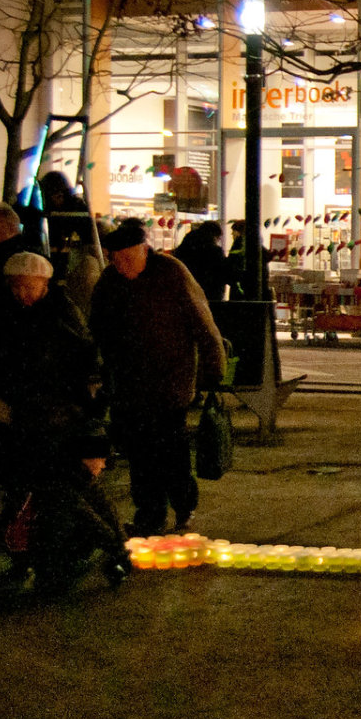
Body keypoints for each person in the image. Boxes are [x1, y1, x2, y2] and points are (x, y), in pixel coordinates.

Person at [0, 251, 125, 586]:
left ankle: (114, 550)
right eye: (16, 287)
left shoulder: (63, 318)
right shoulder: (4, 317)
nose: (23, 294)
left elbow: (92, 380)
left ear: (45, 284)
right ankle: (32, 558)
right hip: (24, 425)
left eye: (30, 287)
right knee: (34, 494)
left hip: (63, 425)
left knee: (66, 493)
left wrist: (95, 440)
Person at [88, 219, 228, 535]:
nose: (121, 264)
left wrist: (213, 368)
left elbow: (201, 321)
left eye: (127, 257)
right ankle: (149, 515)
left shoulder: (171, 273)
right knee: (139, 453)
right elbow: (96, 327)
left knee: (171, 450)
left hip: (171, 383)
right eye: (116, 258)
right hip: (128, 383)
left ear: (143, 250)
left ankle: (182, 505)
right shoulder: (110, 281)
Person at [172, 221, 233, 302]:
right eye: (218, 238)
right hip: (211, 294)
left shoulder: (185, 247)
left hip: (188, 291)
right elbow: (223, 271)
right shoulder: (214, 251)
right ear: (214, 235)